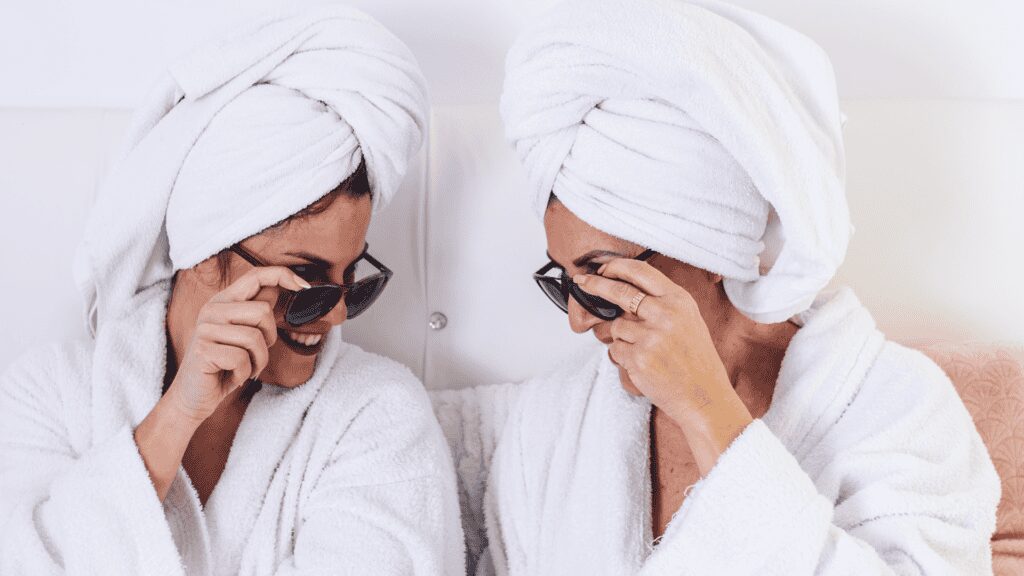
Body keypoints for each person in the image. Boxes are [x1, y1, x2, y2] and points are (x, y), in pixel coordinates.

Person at [432, 0, 1000, 574]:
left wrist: (708, 412)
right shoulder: (556, 421)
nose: (578, 320)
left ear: (710, 254)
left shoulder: (898, 405)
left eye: (601, 276)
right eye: (564, 279)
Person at [0, 7, 463, 575]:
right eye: (306, 278)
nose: (338, 313)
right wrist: (175, 418)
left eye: (352, 278)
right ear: (205, 254)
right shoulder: (48, 394)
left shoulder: (377, 413)